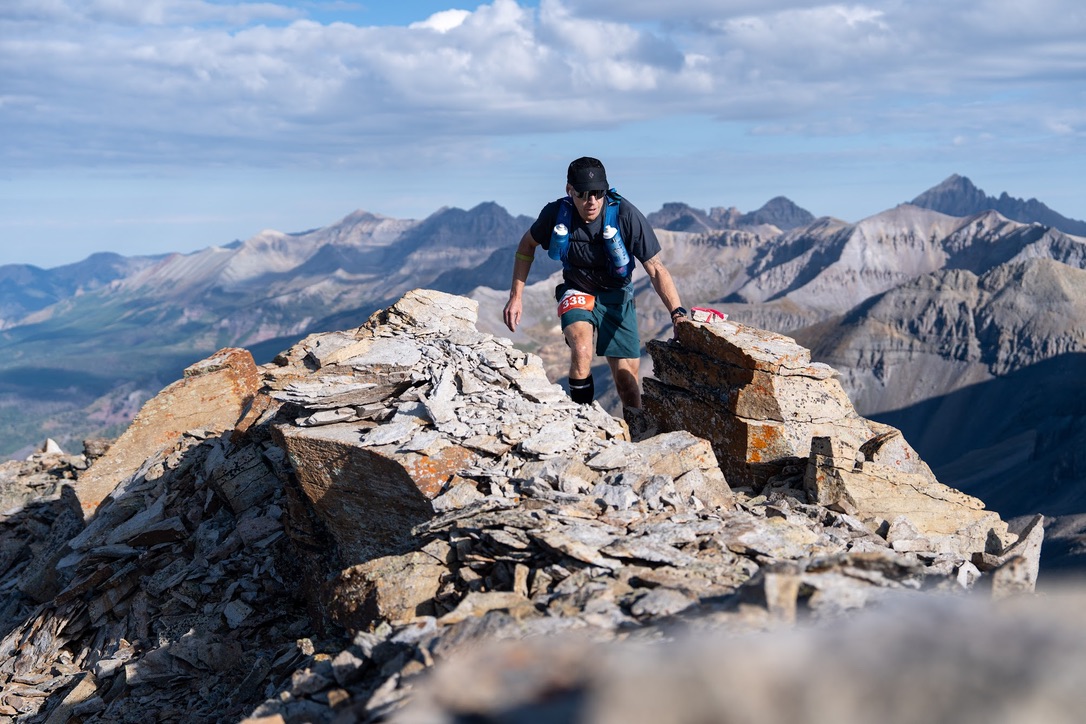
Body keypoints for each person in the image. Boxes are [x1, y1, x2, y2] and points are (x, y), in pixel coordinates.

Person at [503, 157, 686, 411]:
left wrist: (677, 314)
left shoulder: (626, 215)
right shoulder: (556, 214)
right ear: (570, 190)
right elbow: (526, 245)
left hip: (617, 295)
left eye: (598, 193)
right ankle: (582, 421)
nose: (591, 201)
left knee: (627, 384)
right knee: (581, 348)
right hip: (577, 289)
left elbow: (656, 269)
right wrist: (516, 297)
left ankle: (634, 435)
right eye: (583, 194)